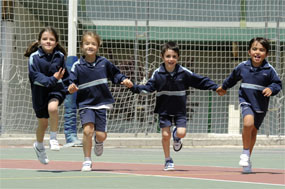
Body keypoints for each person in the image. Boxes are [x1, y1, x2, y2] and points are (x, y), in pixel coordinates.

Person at [129, 41, 219, 171]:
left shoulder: (183, 72)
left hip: (179, 110)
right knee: (165, 135)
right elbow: (148, 88)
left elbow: (200, 81)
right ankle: (168, 160)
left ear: (178, 58)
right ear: (162, 57)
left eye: (174, 57)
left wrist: (216, 87)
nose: (171, 59)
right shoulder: (157, 73)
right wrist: (134, 88)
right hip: (164, 109)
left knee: (181, 133)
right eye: (168, 56)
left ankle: (177, 138)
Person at [68, 31, 133, 171]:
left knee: (101, 135)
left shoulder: (104, 63)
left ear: (97, 46)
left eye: (93, 44)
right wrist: (71, 86)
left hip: (102, 102)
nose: (90, 46)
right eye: (87, 43)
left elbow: (115, 74)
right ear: (82, 46)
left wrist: (123, 79)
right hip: (86, 103)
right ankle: (87, 160)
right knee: (87, 131)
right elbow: (71, 80)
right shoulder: (77, 66)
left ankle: (99, 142)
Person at [216, 37, 282, 173]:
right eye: (254, 49)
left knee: (253, 131)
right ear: (249, 51)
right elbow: (232, 78)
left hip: (261, 105)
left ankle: (247, 159)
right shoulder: (242, 67)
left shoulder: (269, 70)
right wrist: (224, 88)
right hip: (246, 100)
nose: (257, 52)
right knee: (248, 124)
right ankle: (245, 152)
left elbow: (277, 84)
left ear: (267, 54)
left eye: (262, 50)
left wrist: (271, 89)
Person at [24, 27, 69, 164]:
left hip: (55, 90)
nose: (48, 41)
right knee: (42, 124)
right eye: (45, 39)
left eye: (51, 39)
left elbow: (65, 75)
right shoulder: (34, 58)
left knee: (53, 108)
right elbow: (36, 76)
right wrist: (53, 79)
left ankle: (54, 138)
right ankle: (39, 145)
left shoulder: (60, 57)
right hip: (39, 93)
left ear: (56, 43)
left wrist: (68, 87)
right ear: (39, 41)